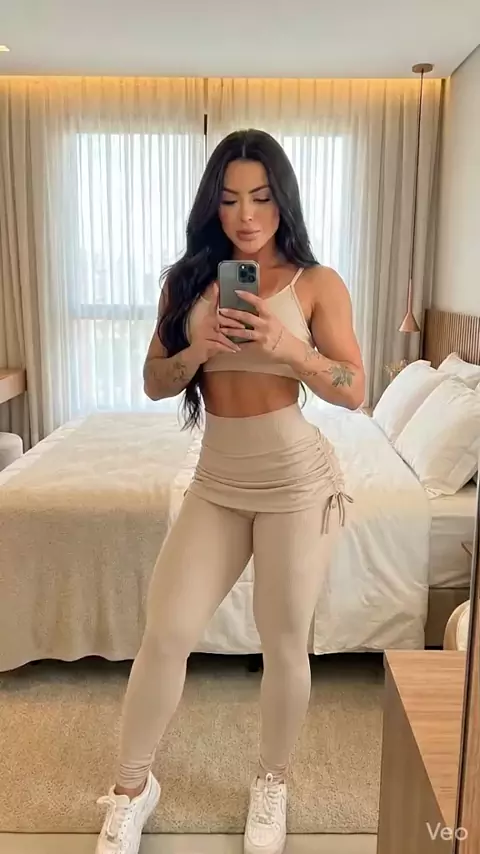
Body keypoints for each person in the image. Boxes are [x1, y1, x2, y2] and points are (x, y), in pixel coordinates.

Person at [95, 128, 365, 854]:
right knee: (167, 632)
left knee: (284, 641)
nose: (246, 215)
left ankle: (272, 781)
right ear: (211, 204)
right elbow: (154, 381)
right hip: (217, 479)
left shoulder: (316, 283)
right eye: (230, 198)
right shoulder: (187, 283)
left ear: (283, 201)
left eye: (262, 198)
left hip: (297, 483)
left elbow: (354, 387)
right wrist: (197, 350)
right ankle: (131, 788)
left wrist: (289, 348)